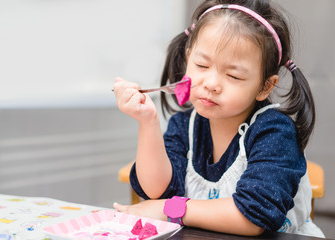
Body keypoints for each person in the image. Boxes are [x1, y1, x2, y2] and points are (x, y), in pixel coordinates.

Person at [112, 0, 324, 237]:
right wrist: (147, 122)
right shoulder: (184, 125)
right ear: (188, 59)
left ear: (265, 86)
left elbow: (251, 217)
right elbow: (156, 190)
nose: (211, 84)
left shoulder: (274, 133)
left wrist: (170, 209)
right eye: (201, 65)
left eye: (233, 75)